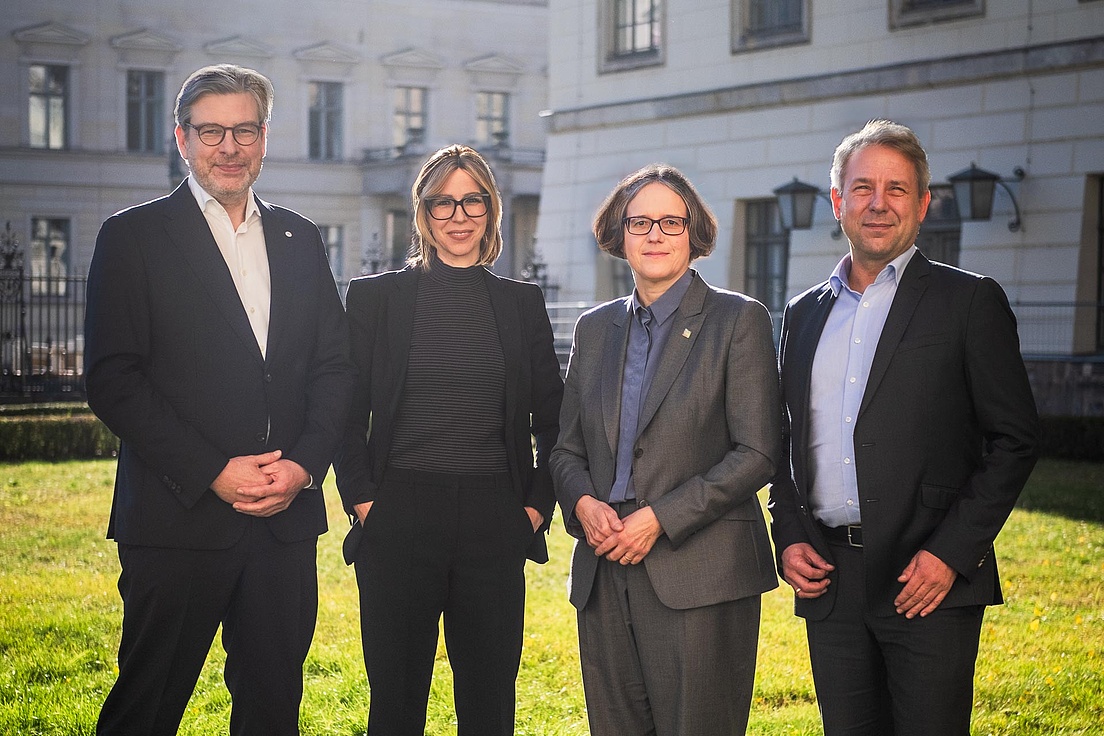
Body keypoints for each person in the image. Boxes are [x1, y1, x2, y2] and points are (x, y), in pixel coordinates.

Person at [84, 64, 355, 735]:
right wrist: (214, 471)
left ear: (264, 139)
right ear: (182, 138)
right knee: (146, 706)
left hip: (282, 522)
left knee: (271, 712)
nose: (228, 145)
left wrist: (302, 468)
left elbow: (334, 367)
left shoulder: (300, 237)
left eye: (244, 129)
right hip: (177, 520)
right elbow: (113, 379)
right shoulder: (134, 237)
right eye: (211, 131)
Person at [768, 119, 1040, 735]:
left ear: (922, 204)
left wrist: (950, 554)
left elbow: (1014, 440)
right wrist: (788, 533)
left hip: (928, 580)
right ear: (838, 202)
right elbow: (786, 442)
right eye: (862, 187)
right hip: (831, 583)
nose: (878, 203)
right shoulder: (803, 313)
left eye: (897, 189)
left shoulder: (969, 302)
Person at [333, 144, 564, 736]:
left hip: (495, 515)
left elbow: (554, 421)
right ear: (423, 213)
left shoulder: (521, 303)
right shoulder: (374, 300)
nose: (459, 216)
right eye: (443, 203)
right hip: (397, 514)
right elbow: (344, 411)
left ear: (491, 210)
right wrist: (361, 499)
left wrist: (536, 509)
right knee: (395, 703)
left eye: (473, 201)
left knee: (489, 707)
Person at [550, 163, 781, 735]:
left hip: (699, 571)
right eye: (641, 222)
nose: (655, 234)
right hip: (605, 569)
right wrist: (583, 505)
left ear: (694, 232)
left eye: (670, 222)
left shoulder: (738, 320)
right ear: (619, 234)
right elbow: (565, 451)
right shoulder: (594, 329)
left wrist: (660, 517)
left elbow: (758, 451)